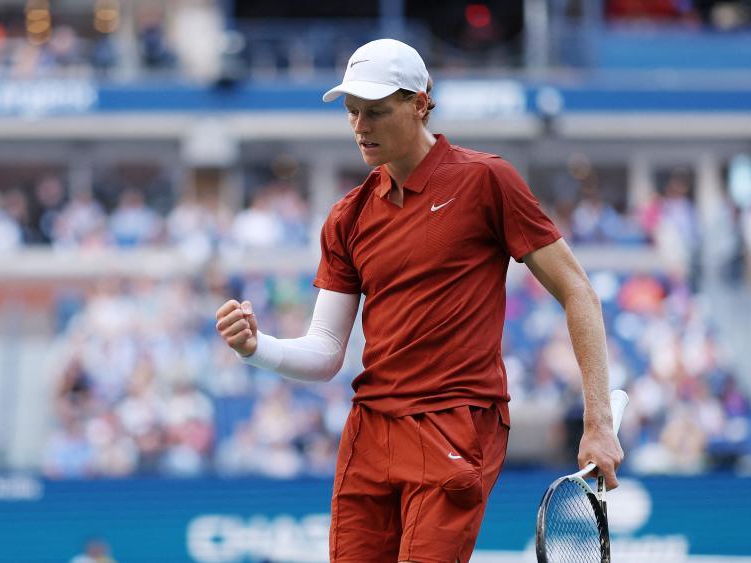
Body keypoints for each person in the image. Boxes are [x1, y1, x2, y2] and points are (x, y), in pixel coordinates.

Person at [215, 38, 623, 562]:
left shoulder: (486, 180)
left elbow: (578, 293)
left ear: (420, 102)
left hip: (457, 420)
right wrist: (256, 348)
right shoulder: (347, 216)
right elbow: (324, 352)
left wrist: (598, 422)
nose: (361, 127)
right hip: (369, 429)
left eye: (377, 112)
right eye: (352, 112)